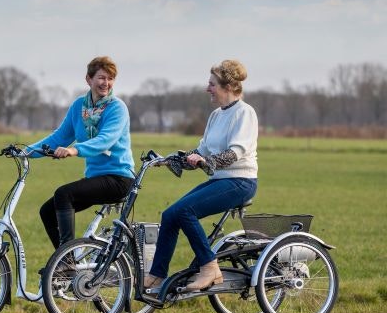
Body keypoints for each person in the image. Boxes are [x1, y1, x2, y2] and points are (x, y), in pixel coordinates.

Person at [144, 59, 258, 291]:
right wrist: (168, 161)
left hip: (240, 181)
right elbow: (201, 152)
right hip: (219, 180)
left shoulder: (245, 113)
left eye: (212, 84)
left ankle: (209, 267)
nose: (208, 89)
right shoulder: (216, 115)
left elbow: (236, 152)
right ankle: (157, 276)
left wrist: (208, 161)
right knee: (170, 214)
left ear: (227, 87)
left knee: (186, 211)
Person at [27, 56, 134, 249]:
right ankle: (66, 263)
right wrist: (27, 151)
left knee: (64, 194)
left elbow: (105, 140)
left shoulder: (117, 108)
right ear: (89, 79)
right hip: (96, 177)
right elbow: (60, 137)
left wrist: (75, 149)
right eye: (102, 77)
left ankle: (65, 258)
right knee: (47, 211)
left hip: (118, 178)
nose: (106, 83)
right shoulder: (79, 107)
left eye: (110, 79)